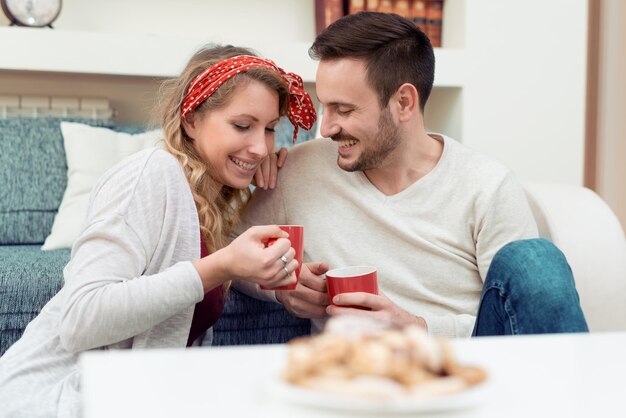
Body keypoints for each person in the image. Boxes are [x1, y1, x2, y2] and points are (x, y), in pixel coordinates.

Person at [0, 44, 316, 417]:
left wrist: (281, 285)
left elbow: (214, 266)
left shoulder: (208, 198)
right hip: (56, 400)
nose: (261, 147)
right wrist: (223, 266)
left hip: (140, 396)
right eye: (242, 126)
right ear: (191, 120)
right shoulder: (151, 174)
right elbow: (79, 319)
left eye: (269, 130)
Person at [234, 11, 589, 337]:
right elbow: (225, 258)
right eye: (325, 106)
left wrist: (417, 327)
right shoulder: (299, 170)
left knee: (535, 259)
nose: (326, 128)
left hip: (465, 370)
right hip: (353, 379)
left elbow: (516, 319)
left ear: (404, 102)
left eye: (343, 109)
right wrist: (281, 289)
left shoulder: (486, 185)